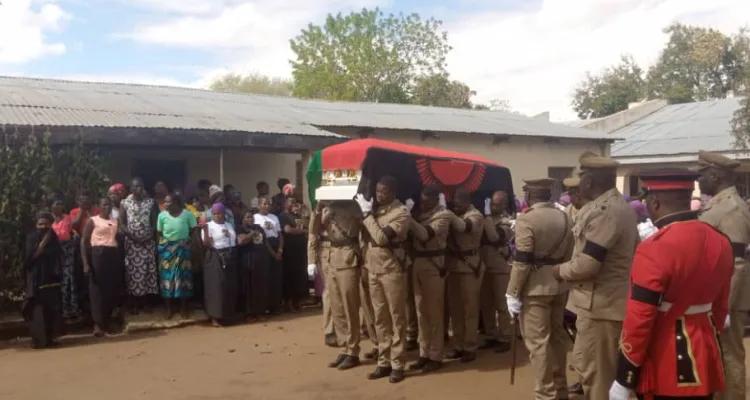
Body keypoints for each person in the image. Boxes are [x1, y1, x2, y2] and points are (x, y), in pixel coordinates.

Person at [609, 168, 734, 400]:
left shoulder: (654, 248)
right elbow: (721, 304)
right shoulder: (721, 240)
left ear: (654, 202)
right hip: (706, 351)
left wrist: (625, 375)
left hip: (669, 357)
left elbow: (639, 318)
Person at [550, 156, 638, 400]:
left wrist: (559, 271)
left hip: (601, 307)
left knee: (597, 375)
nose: (579, 182)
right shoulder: (618, 207)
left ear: (589, 180)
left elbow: (588, 264)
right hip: (607, 303)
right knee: (604, 372)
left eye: (581, 176)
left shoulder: (605, 212)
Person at [506, 178, 575, 400]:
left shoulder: (527, 219)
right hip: (559, 284)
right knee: (557, 338)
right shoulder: (564, 217)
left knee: (538, 343)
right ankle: (561, 389)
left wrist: (513, 292)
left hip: (534, 288)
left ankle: (545, 394)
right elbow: (569, 254)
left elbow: (522, 260)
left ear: (528, 196)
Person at [695, 150, 750, 400]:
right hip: (716, 296)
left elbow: (737, 261)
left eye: (702, 173)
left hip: (727, 299)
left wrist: (724, 307)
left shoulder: (731, 209)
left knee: (729, 356)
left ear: (715, 175)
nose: (698, 179)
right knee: (718, 356)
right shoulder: (720, 204)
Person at [355, 176, 410, 383]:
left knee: (397, 317)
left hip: (392, 269)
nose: (379, 195)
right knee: (380, 317)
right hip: (373, 268)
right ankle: (383, 361)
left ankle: (398, 363)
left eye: (384, 191)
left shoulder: (401, 213)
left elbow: (380, 238)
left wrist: (367, 214)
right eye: (377, 191)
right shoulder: (377, 210)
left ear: (393, 192)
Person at [313, 198, 363, 371]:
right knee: (337, 307)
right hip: (332, 256)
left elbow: (363, 228)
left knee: (350, 305)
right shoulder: (326, 207)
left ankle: (353, 350)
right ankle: (344, 347)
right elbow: (314, 230)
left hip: (348, 255)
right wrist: (318, 211)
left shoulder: (353, 206)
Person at [407, 184, 453, 373]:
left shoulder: (443, 216)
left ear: (435, 199)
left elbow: (425, 235)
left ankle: (435, 355)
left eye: (427, 201)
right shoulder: (419, 215)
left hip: (434, 264)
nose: (424, 205)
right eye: (422, 201)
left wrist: (408, 218)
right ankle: (423, 353)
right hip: (418, 263)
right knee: (420, 313)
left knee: (434, 312)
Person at [445, 188, 485, 363]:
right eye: (453, 202)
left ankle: (470, 346)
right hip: (454, 266)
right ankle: (458, 345)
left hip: (470, 265)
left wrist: (446, 213)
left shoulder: (476, 216)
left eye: (458, 202)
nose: (455, 205)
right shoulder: (454, 214)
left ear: (467, 201)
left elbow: (464, 227)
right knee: (456, 310)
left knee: (470, 309)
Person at [81, 197, 123, 336]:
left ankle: (107, 322)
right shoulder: (93, 221)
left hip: (112, 255)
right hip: (97, 255)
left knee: (110, 290)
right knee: (97, 291)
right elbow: (83, 241)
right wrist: (86, 263)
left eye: (109, 205)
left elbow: (118, 238)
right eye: (104, 205)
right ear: (98, 206)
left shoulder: (115, 221)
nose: (107, 207)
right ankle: (97, 325)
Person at [479, 190, 514, 353]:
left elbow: (493, 237)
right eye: (491, 204)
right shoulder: (486, 218)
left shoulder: (507, 221)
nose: (493, 207)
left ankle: (505, 336)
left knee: (502, 305)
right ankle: (491, 334)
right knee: (486, 305)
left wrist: (486, 216)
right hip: (484, 267)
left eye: (497, 204)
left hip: (500, 268)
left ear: (505, 205)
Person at [23, 212, 63, 349]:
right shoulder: (31, 237)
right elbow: (29, 258)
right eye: (40, 224)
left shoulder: (53, 238)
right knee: (36, 309)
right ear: (36, 225)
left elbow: (57, 255)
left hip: (51, 278)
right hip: (35, 278)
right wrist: (40, 247)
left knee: (51, 309)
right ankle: (38, 340)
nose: (43, 226)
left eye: (46, 224)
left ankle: (50, 338)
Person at [120, 178, 159, 314]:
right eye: (136, 186)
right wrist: (133, 237)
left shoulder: (151, 203)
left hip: (147, 242)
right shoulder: (125, 203)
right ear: (131, 189)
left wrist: (149, 236)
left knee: (148, 271)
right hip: (132, 243)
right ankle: (134, 304)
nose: (139, 188)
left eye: (141, 186)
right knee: (133, 272)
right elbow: (122, 223)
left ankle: (146, 303)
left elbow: (154, 223)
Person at [157, 192, 198, 319]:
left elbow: (193, 229)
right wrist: (161, 248)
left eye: (168, 202)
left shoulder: (187, 214)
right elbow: (159, 232)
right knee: (166, 278)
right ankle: (169, 309)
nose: (165, 204)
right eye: (164, 202)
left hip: (183, 250)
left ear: (176, 203)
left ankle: (183, 308)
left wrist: (186, 241)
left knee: (184, 278)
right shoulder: (162, 215)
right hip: (167, 250)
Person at [202, 203, 238, 327]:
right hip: (215, 256)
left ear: (224, 214)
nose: (217, 216)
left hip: (229, 255)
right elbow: (207, 243)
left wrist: (229, 235)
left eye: (219, 213)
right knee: (216, 287)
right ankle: (215, 317)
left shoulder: (228, 225)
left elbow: (234, 240)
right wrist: (205, 231)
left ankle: (227, 315)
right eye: (214, 214)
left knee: (229, 286)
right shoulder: (209, 226)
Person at [51, 197, 80, 321]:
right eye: (57, 203)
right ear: (51, 206)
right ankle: (59, 309)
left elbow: (72, 231)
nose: (60, 206)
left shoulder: (67, 218)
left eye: (62, 203)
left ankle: (71, 309)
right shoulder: (48, 220)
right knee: (57, 280)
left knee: (69, 279)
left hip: (68, 251)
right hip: (53, 253)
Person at [236, 211, 268, 320]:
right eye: (247, 217)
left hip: (260, 261)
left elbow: (265, 241)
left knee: (259, 287)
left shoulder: (259, 227)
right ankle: (248, 313)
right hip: (247, 261)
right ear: (242, 219)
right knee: (248, 287)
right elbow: (241, 241)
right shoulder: (239, 229)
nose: (250, 219)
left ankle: (259, 311)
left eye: (251, 217)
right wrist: (251, 234)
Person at [254, 196, 283, 315]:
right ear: (259, 205)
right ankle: (264, 306)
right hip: (263, 248)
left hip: (276, 246)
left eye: (268, 204)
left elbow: (280, 235)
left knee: (276, 279)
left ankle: (275, 305)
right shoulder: (255, 218)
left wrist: (280, 250)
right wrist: (272, 252)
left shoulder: (274, 217)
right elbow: (261, 238)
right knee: (264, 279)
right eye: (264, 204)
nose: (267, 206)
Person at [280, 195, 309, 312]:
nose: (293, 204)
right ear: (285, 203)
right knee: (290, 276)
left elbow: (307, 228)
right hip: (290, 250)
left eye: (295, 202)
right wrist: (301, 231)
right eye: (291, 202)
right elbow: (287, 230)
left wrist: (302, 213)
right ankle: (288, 303)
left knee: (299, 276)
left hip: (300, 250)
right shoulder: (283, 216)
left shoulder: (297, 216)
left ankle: (297, 301)